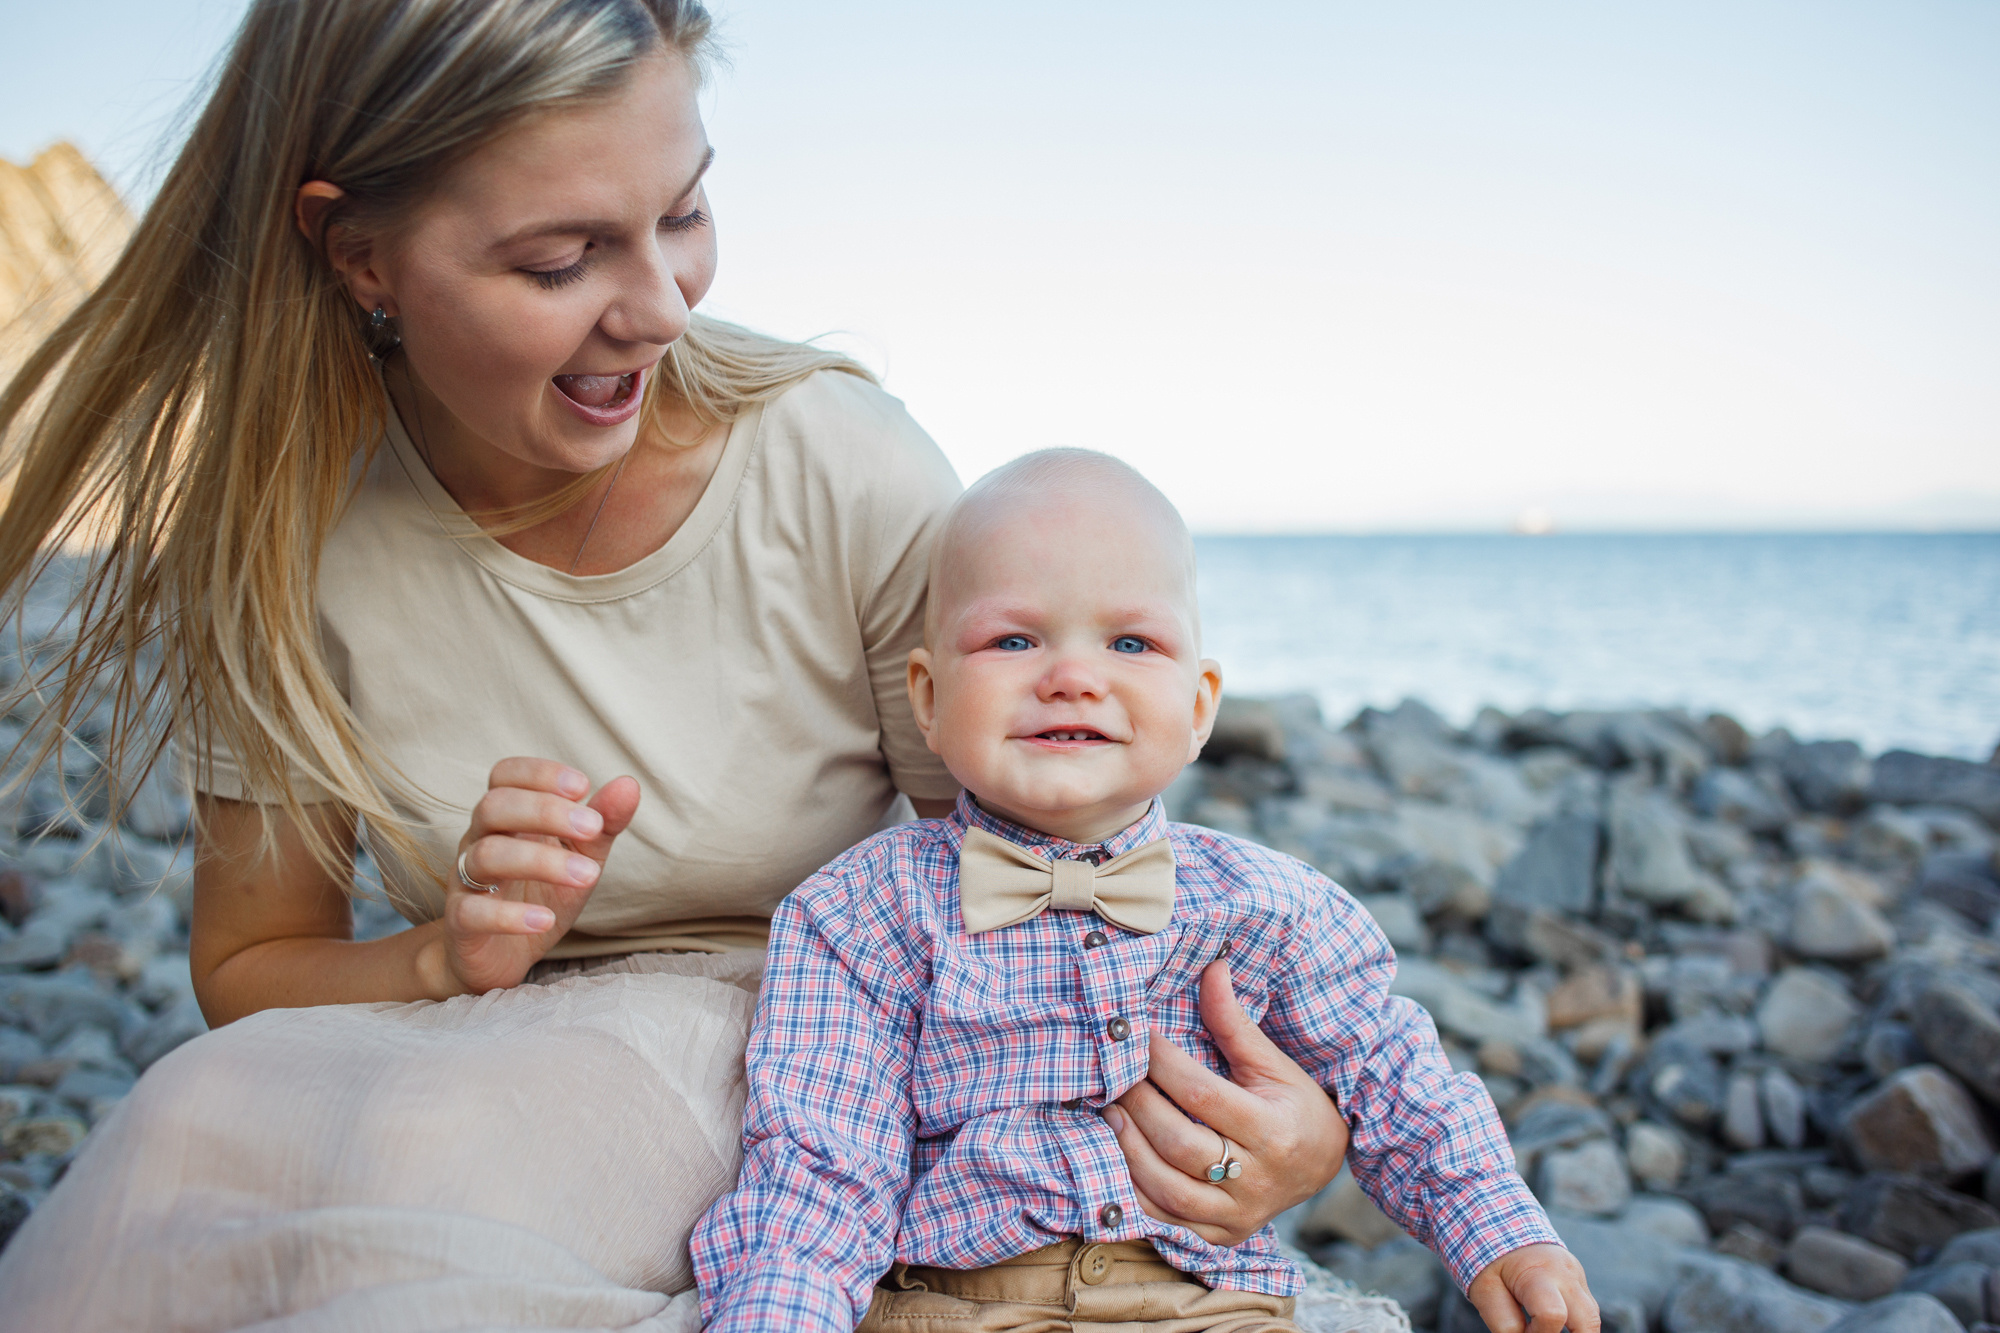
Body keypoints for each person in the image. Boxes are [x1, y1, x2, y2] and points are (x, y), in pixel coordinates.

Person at [0, 3, 1351, 1327]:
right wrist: (446, 955)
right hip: (444, 1036)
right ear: (357, 254)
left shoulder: (839, 466)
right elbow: (251, 968)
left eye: (684, 213)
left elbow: (1060, 893)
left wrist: (1261, 1151)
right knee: (175, 1137)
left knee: (439, 1191)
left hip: (801, 1051)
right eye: (558, 261)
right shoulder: (283, 532)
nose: (659, 308)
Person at [691, 450, 1601, 1333]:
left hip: (1215, 1305)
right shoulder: (862, 912)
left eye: (1132, 641)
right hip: (953, 1304)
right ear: (927, 697)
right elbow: (818, 1174)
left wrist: (1502, 1234)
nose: (1074, 675)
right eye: (1014, 638)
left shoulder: (1272, 907)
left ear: (1201, 705)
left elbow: (1395, 1078)